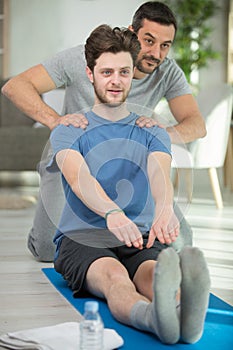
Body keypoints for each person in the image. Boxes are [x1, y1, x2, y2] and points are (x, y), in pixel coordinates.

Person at [1, 1, 206, 262]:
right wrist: (56, 121)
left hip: (129, 166)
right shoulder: (82, 59)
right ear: (133, 32)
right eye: (149, 40)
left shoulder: (167, 72)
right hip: (73, 161)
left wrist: (161, 132)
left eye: (165, 45)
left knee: (179, 243)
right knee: (47, 249)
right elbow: (15, 86)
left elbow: (197, 125)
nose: (156, 53)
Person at [47, 24, 210, 345]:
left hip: (139, 235)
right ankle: (155, 320)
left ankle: (183, 311)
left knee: (153, 275)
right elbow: (80, 179)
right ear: (90, 74)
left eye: (123, 72)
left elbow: (159, 174)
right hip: (84, 236)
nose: (116, 80)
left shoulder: (151, 130)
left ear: (133, 73)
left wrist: (164, 210)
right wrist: (112, 213)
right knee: (115, 278)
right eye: (106, 72)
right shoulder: (69, 129)